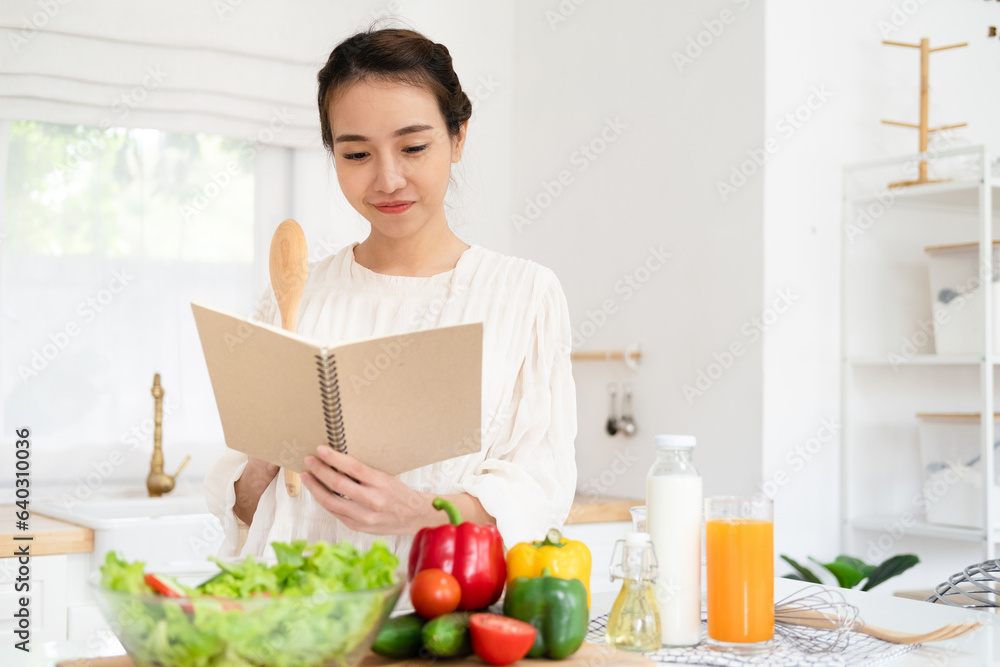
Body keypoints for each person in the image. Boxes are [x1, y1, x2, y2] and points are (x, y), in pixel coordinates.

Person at [204, 27, 577, 563]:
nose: (388, 179)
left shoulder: (523, 295)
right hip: (290, 619)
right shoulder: (296, 293)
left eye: (414, 147)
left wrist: (420, 512)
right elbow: (239, 510)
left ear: (458, 138)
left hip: (436, 616)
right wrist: (265, 458)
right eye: (357, 155)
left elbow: (541, 491)